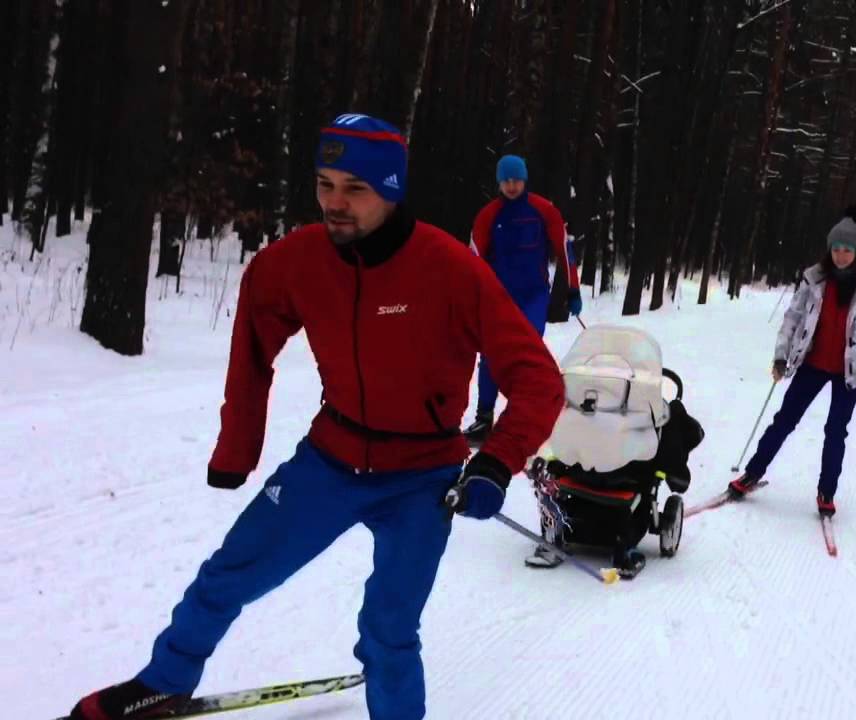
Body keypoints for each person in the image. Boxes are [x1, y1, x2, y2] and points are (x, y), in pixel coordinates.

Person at [66, 114, 565, 720]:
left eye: (354, 188)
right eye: (324, 183)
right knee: (227, 574)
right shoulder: (295, 261)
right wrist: (237, 447)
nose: (334, 203)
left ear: (392, 189)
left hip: (424, 479)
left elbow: (537, 378)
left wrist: (495, 460)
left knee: (388, 634)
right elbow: (252, 339)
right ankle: (163, 680)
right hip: (330, 461)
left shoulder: (451, 269)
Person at [725, 211, 856, 517]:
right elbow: (793, 318)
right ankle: (752, 473)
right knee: (785, 420)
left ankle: (826, 492)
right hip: (812, 363)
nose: (841, 255)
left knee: (835, 431)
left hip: (849, 372)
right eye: (836, 248)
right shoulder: (814, 279)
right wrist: (780, 355)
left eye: (847, 250)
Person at [464, 155, 581, 445]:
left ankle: (525, 416)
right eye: (506, 180)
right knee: (490, 356)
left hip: (533, 297)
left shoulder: (544, 210)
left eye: (516, 179)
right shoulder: (489, 215)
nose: (511, 185)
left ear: (524, 179)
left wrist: (573, 290)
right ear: (499, 182)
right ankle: (484, 418)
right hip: (497, 300)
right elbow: (472, 259)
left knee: (526, 355)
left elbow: (565, 251)